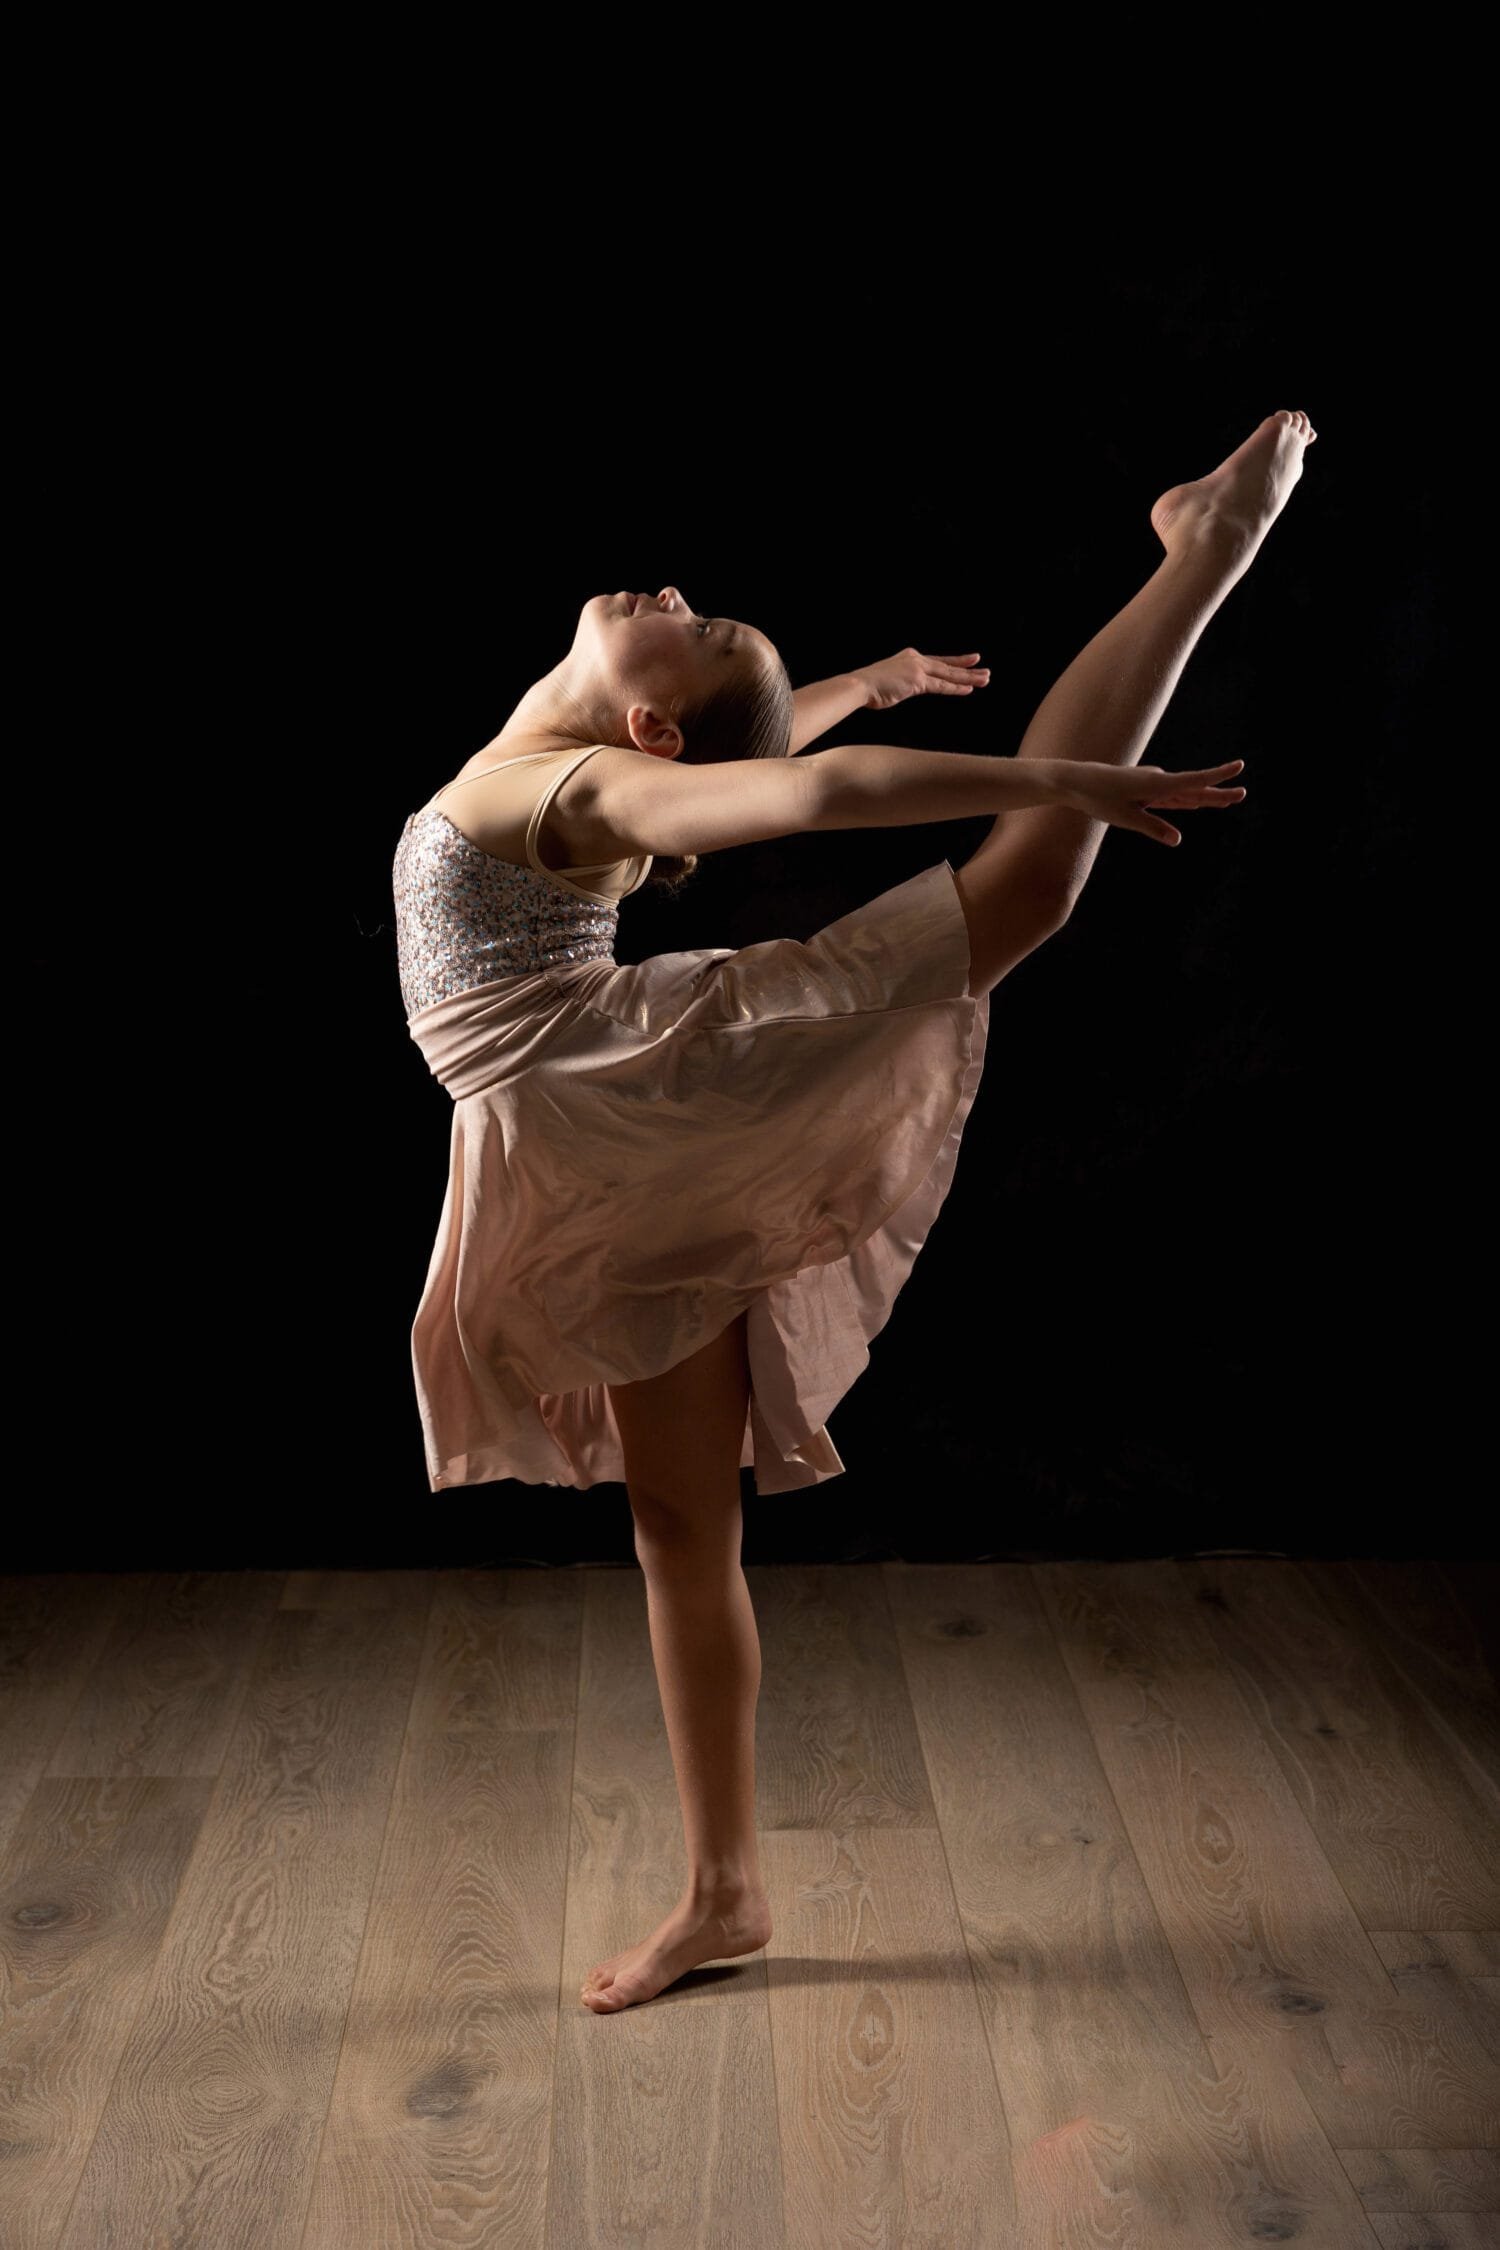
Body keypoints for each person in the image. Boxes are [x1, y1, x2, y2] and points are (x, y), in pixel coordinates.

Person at [391, 408, 1317, 2014]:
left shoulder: (584, 785)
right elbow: (765, 765)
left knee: (1023, 881)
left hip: (627, 1092)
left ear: (644, 729)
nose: (676, 593)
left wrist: (1059, 775)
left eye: (695, 632)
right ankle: (727, 1889)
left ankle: (1201, 561)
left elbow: (801, 806)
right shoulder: (571, 753)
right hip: (596, 1136)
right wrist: (853, 685)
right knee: (680, 1524)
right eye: (703, 618)